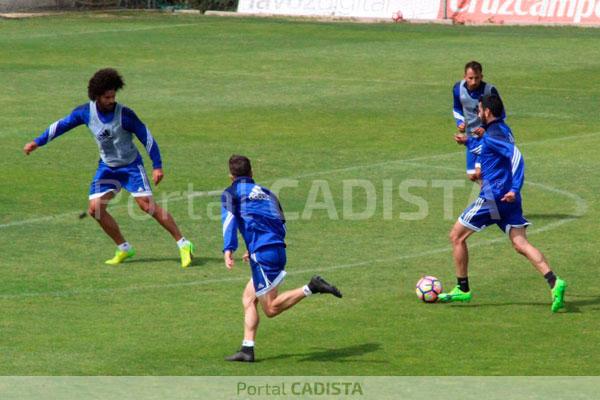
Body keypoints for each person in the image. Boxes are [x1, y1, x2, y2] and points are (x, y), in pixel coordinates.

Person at [23, 68, 196, 267]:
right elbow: (61, 125)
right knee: (95, 209)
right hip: (107, 168)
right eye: (107, 97)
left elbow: (146, 137)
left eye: (113, 96)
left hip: (131, 167)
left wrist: (157, 165)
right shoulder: (86, 112)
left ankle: (184, 244)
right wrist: (38, 142)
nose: (112, 100)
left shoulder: (125, 115)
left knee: (146, 205)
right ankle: (124, 248)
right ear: (96, 96)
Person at [442, 94, 566, 313]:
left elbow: (516, 156)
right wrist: (469, 142)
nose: (478, 113)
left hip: (494, 196)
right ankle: (554, 282)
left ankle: (462, 288)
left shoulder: (492, 135)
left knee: (456, 236)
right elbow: (491, 152)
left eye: (479, 110)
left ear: (487, 112)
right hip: (509, 200)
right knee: (521, 244)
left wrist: (514, 188)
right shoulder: (503, 130)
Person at [221, 155, 342, 362]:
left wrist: (228, 249)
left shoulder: (231, 193)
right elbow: (281, 223)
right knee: (248, 298)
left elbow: (229, 220)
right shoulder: (268, 194)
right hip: (276, 249)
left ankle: (311, 287)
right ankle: (247, 349)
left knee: (271, 308)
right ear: (252, 174)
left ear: (231, 176)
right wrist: (257, 247)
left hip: (263, 254)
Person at [453, 61, 505, 181]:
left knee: (480, 172)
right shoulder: (458, 89)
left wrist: (485, 128)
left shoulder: (489, 91)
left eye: (477, 78)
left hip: (487, 137)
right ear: (464, 76)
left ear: (482, 76)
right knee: (472, 176)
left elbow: (501, 114)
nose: (474, 82)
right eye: (470, 78)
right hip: (471, 136)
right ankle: (489, 197)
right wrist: (459, 122)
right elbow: (456, 108)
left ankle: (491, 197)